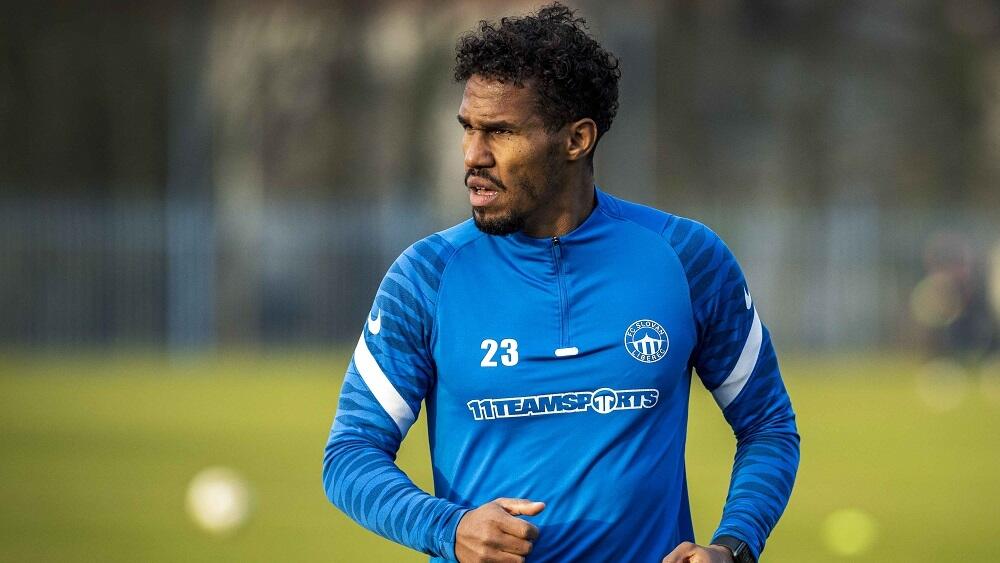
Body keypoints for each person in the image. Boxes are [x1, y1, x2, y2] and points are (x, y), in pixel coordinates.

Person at [323, 4, 799, 562]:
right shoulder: (426, 277)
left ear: (577, 139)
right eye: (468, 128)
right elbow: (350, 454)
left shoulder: (687, 259)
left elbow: (767, 425)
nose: (473, 155)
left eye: (500, 132)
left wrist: (733, 546)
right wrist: (447, 528)